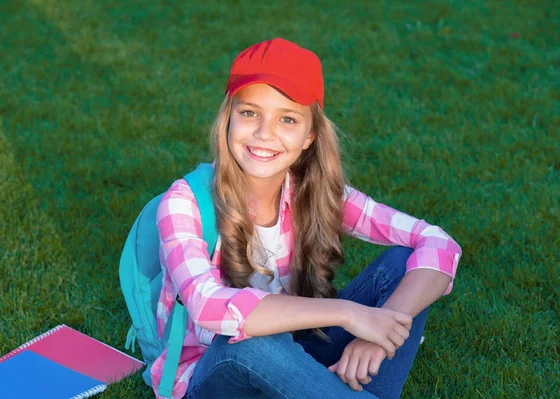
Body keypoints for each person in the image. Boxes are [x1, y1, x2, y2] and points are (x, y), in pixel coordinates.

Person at [152, 38, 462, 399]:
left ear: (309, 136)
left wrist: (379, 330)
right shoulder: (185, 202)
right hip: (215, 375)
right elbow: (207, 305)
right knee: (249, 343)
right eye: (250, 112)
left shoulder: (313, 193)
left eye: (287, 118)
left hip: (295, 358)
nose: (265, 133)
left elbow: (437, 242)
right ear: (228, 119)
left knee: (402, 263)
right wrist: (348, 314)